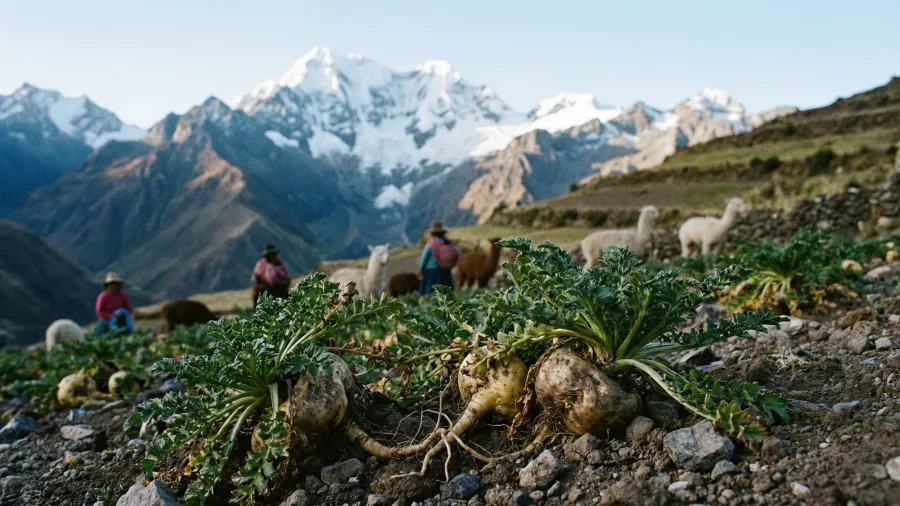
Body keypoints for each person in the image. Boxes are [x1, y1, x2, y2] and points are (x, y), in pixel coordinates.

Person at [418, 222, 460, 295]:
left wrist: (421, 270)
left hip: (432, 273)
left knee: (431, 294)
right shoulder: (448, 242)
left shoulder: (430, 244)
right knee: (447, 293)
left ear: (432, 233)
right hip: (446, 271)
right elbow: (458, 253)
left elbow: (423, 260)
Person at [251, 244, 291, 310]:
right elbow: (256, 278)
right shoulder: (260, 264)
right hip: (263, 291)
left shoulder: (278, 264)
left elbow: (286, 277)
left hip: (279, 291)